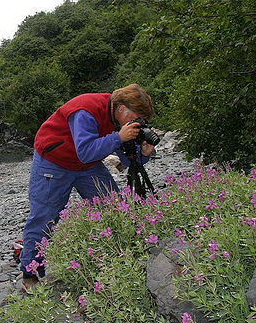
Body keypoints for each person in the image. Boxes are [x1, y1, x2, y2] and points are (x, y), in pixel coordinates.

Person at [19, 84, 155, 292]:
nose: (136, 122)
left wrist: (143, 153)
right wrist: (118, 137)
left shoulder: (117, 118)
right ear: (122, 108)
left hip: (86, 165)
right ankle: (31, 274)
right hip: (54, 161)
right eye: (136, 117)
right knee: (44, 218)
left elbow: (128, 161)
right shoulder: (85, 110)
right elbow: (86, 151)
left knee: (113, 207)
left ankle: (117, 257)